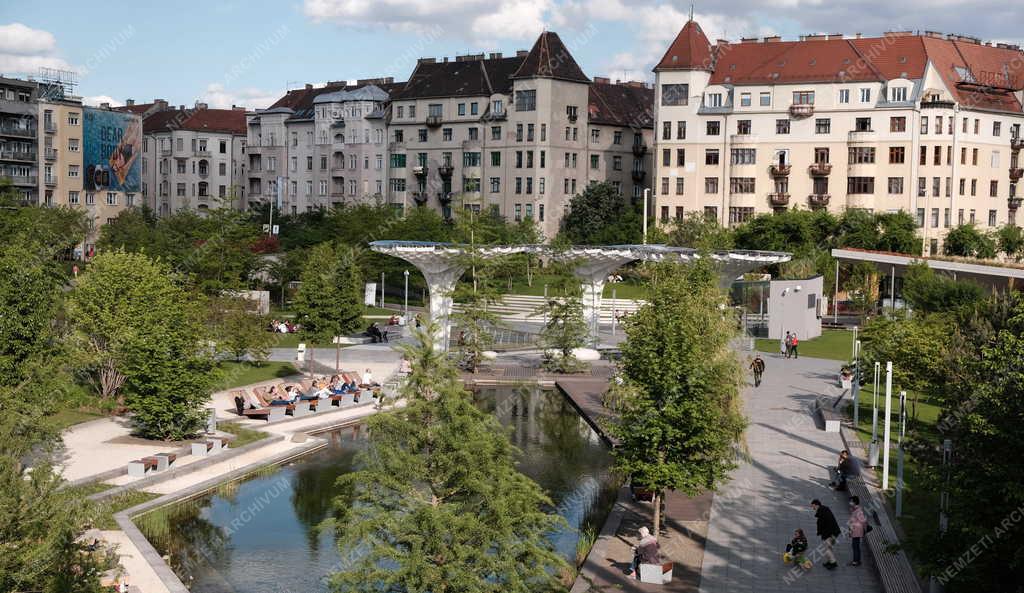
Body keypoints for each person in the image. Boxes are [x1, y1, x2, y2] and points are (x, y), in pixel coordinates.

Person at [811, 499, 841, 570]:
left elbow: (822, 524)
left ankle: (833, 562)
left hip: (829, 533)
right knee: (829, 548)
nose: (813, 508)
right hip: (834, 532)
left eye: (813, 506)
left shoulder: (821, 511)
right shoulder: (825, 509)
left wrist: (820, 532)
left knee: (826, 549)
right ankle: (829, 561)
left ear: (816, 505)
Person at [847, 496, 867, 567]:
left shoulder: (858, 511)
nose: (850, 503)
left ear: (854, 502)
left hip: (857, 531)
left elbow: (863, 520)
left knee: (855, 546)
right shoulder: (854, 509)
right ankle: (857, 560)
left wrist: (865, 529)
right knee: (855, 545)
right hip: (855, 530)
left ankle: (856, 561)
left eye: (851, 501)